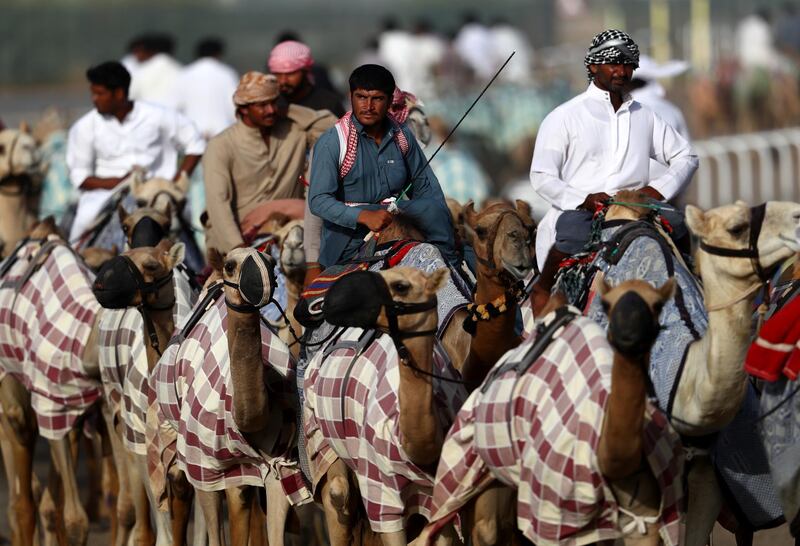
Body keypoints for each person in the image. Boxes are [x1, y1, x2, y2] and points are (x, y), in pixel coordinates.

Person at [529, 29, 697, 306]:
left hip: (637, 208)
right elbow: (542, 176)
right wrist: (583, 199)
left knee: (679, 225)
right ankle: (543, 295)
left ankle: (692, 296)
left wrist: (656, 190)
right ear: (593, 66)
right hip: (582, 212)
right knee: (571, 237)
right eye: (613, 63)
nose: (621, 70)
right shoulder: (563, 117)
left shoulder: (645, 115)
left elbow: (686, 156)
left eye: (628, 64)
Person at [307, 64, 456, 277]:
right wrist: (363, 216)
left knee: (437, 212)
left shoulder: (402, 136)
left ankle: (452, 271)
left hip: (399, 214)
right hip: (351, 237)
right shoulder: (334, 142)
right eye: (361, 97)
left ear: (388, 101)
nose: (368, 106)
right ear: (351, 97)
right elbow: (319, 201)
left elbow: (426, 186)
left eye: (376, 98)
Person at [66, 61, 204, 242]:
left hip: (156, 193)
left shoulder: (157, 115)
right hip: (105, 195)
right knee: (81, 224)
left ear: (119, 93)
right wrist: (123, 182)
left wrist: (177, 182)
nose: (94, 99)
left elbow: (195, 143)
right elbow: (80, 177)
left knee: (188, 228)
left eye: (100, 93)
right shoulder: (83, 127)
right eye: (93, 93)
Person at [202, 71, 336, 253]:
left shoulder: (294, 131)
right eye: (262, 105)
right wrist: (238, 248)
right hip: (241, 234)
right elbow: (218, 203)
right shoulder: (221, 145)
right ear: (243, 108)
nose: (271, 110)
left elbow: (332, 128)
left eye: (274, 102)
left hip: (291, 229)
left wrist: (287, 110)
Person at [171, 37, 239, 140]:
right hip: (222, 131)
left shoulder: (185, 74)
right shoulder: (227, 74)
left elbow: (173, 107)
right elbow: (235, 104)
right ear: (219, 53)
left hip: (191, 134)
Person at [267, 40, 345, 117]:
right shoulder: (269, 105)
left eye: (290, 73)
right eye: (277, 74)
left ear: (306, 71)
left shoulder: (329, 104)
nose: (283, 81)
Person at [129, 34, 183, 106]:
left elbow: (130, 94)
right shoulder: (179, 69)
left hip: (147, 112)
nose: (137, 55)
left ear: (150, 51)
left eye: (138, 51)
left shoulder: (142, 70)